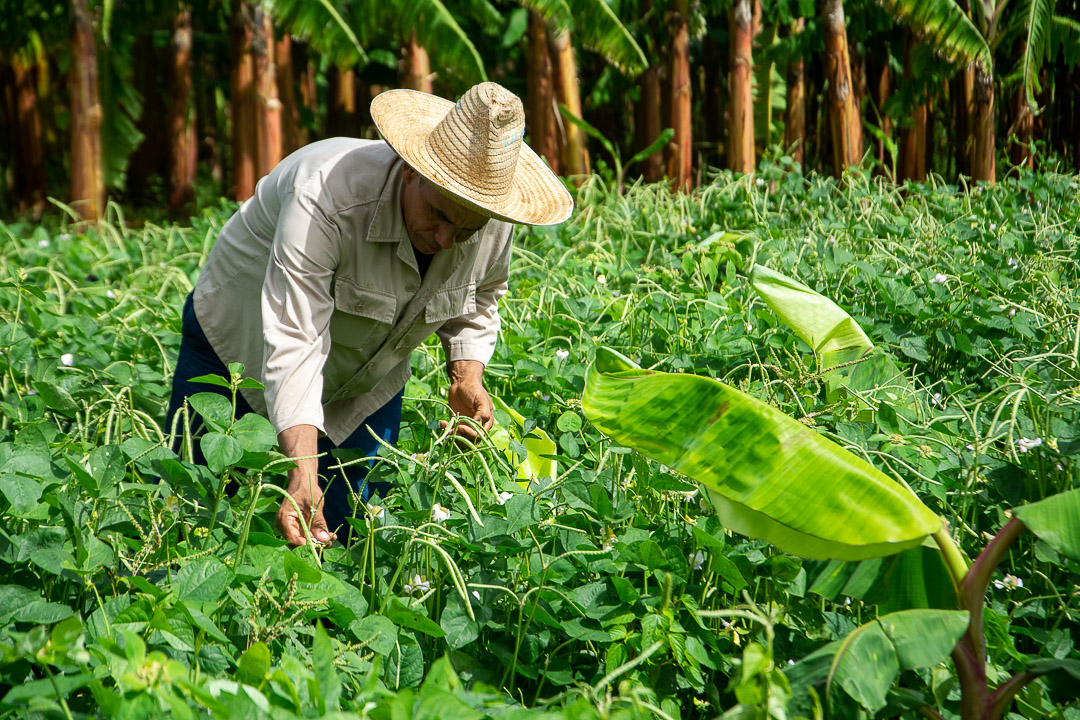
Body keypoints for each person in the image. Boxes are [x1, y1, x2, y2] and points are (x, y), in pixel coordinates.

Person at [165, 82, 573, 547]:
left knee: (354, 535)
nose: (445, 239)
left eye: (465, 229)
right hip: (237, 354)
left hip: (366, 382)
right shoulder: (325, 195)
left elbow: (481, 293)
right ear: (409, 171)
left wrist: (467, 374)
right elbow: (294, 337)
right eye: (438, 215)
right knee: (195, 516)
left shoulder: (489, 215)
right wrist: (302, 468)